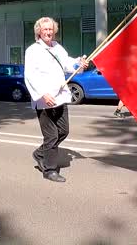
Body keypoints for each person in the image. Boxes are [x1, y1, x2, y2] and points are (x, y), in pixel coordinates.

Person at [24, 17, 88, 183]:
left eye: (51, 29)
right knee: (51, 136)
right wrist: (43, 94)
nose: (48, 32)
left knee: (63, 131)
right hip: (44, 100)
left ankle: (39, 153)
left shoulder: (57, 47)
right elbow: (29, 76)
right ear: (39, 31)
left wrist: (78, 64)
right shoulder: (33, 50)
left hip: (60, 97)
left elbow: (67, 63)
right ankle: (50, 169)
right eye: (45, 29)